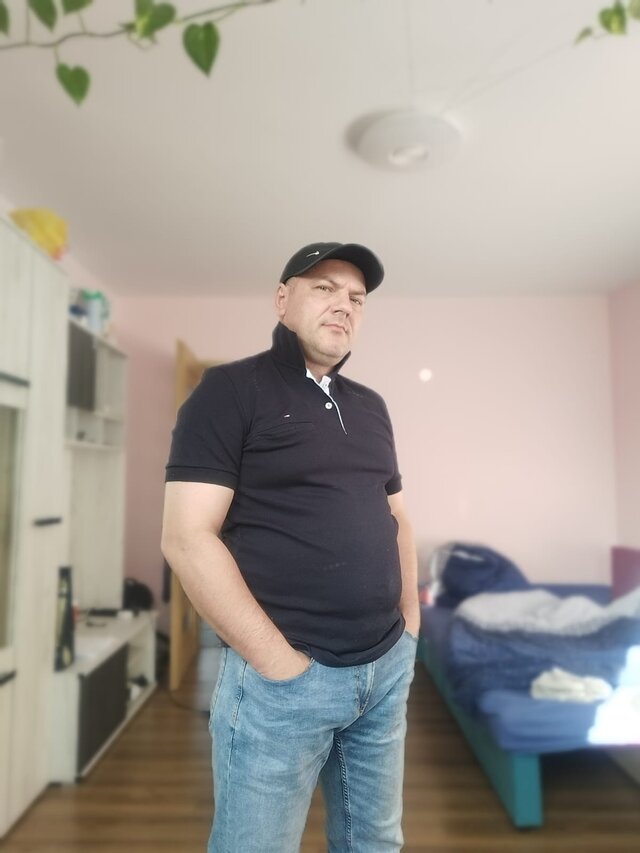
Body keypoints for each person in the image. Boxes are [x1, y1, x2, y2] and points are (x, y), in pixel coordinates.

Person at [161, 241, 420, 853]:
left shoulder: (371, 406)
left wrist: (410, 627)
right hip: (285, 681)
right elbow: (187, 538)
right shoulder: (228, 390)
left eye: (356, 297)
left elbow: (398, 517)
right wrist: (278, 664)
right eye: (324, 288)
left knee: (376, 842)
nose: (344, 305)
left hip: (384, 670)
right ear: (283, 300)